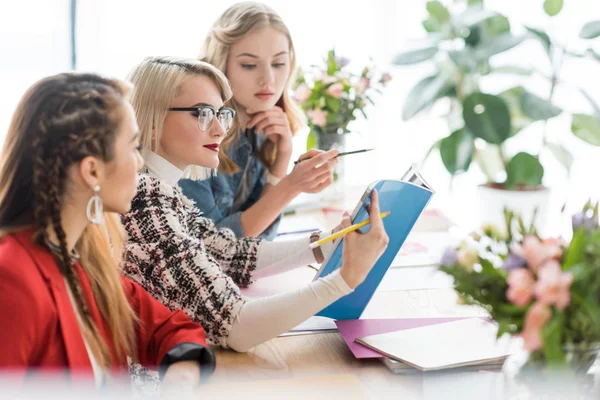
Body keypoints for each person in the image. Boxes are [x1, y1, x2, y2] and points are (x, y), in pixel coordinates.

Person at [123, 56, 389, 353]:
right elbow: (236, 326)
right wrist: (344, 279)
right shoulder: (145, 201)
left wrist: (328, 243)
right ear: (152, 120)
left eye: (221, 114)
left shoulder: (157, 189)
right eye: (202, 113)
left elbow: (230, 255)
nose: (219, 130)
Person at [0, 73, 214, 391]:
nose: (139, 162)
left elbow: (172, 329)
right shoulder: (13, 279)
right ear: (92, 171)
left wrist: (180, 379)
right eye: (133, 148)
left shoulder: (82, 261)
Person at [179, 2, 337, 240]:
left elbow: (259, 240)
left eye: (278, 63)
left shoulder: (263, 129)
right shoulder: (192, 134)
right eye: (249, 65)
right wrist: (290, 185)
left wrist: (282, 157)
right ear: (221, 66)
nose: (268, 79)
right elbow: (214, 250)